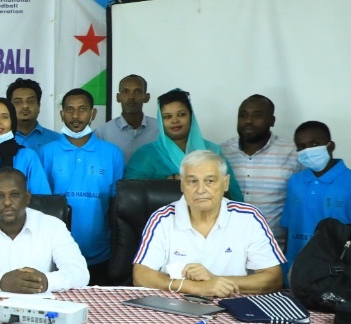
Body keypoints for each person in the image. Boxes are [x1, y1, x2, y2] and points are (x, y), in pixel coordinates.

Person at [133, 150, 283, 297]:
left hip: (233, 310)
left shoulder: (249, 217)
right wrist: (196, 287)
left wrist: (216, 281)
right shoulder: (162, 218)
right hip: (172, 309)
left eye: (210, 181)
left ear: (225, 183)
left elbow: (273, 278)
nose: (201, 190)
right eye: (192, 181)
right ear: (181, 185)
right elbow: (141, 275)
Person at [0, 168, 89, 292]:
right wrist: (1, 281)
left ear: (27, 197)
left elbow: (80, 272)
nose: (7, 202)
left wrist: (45, 281)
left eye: (14, 195)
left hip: (42, 305)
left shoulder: (52, 226)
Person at [40, 88, 125, 284]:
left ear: (92, 113)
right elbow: (42, 206)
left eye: (82, 109)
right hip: (55, 255)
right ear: (62, 114)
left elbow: (116, 207)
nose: (76, 116)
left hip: (100, 254)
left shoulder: (112, 153)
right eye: (69, 110)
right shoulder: (46, 153)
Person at [125, 88, 243, 200]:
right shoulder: (146, 155)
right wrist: (166, 185)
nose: (175, 120)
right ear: (160, 122)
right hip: (160, 218)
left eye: (181, 114)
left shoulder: (212, 151)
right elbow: (130, 195)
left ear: (191, 116)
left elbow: (232, 194)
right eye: (167, 117)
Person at [219, 94, 299, 249]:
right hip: (227, 247)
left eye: (257, 115)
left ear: (272, 120)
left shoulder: (292, 153)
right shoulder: (221, 152)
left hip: (274, 248)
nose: (248, 121)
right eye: (243, 115)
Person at [282, 121, 351, 268]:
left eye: (314, 144)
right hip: (294, 270)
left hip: (335, 273)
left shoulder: (348, 182)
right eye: (301, 147)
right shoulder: (295, 181)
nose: (307, 151)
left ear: (330, 146)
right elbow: (289, 227)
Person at [93, 74, 158, 164]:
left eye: (137, 91)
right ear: (118, 97)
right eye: (125, 91)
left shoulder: (159, 130)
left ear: (147, 97)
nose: (131, 97)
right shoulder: (102, 133)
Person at [7, 79, 60, 154]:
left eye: (31, 101)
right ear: (9, 107)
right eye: (18, 102)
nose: (25, 106)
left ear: (39, 106)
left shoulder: (57, 140)